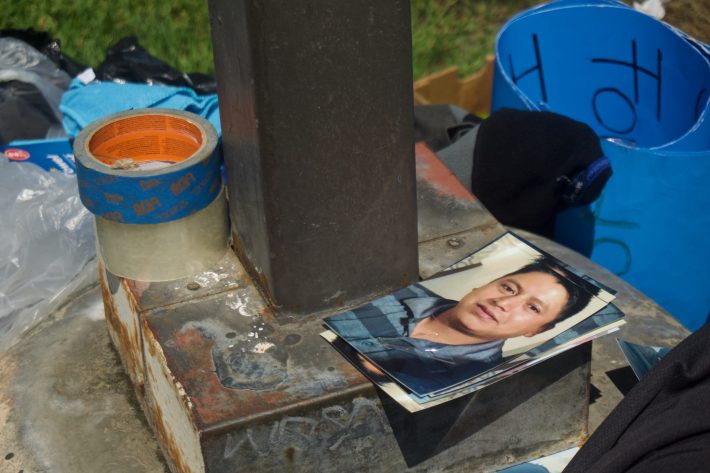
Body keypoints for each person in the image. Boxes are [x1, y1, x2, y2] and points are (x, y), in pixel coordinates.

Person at [326, 257, 594, 394]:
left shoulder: (470, 379)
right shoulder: (392, 296)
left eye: (532, 307)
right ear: (484, 285)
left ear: (536, 330)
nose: (504, 303)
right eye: (508, 287)